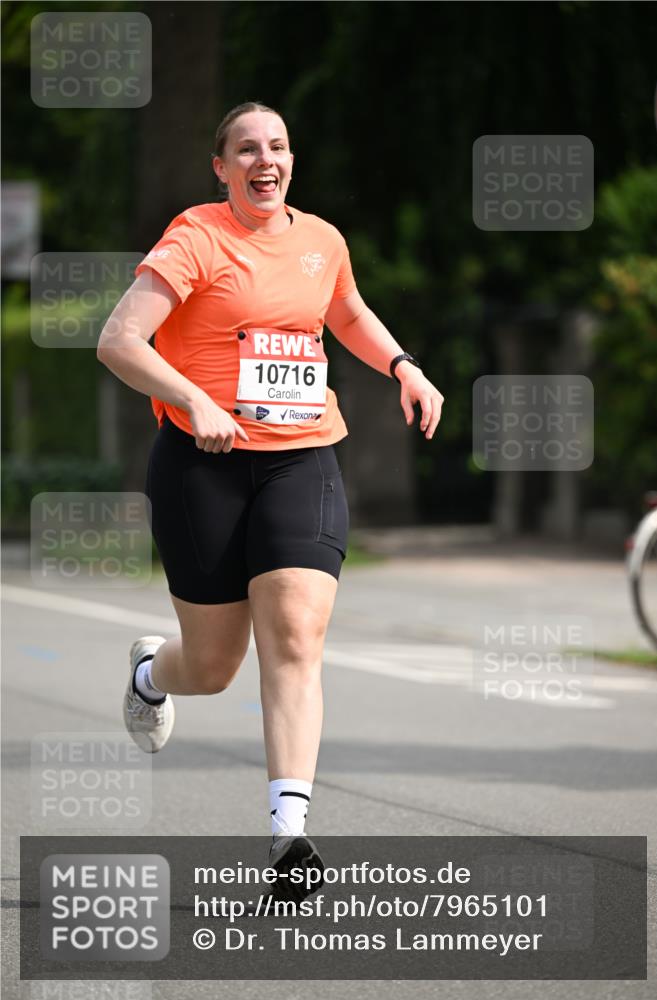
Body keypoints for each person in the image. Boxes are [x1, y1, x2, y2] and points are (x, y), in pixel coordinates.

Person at [97, 101, 444, 890]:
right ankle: (152, 674)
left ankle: (289, 837)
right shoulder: (195, 237)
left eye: (278, 146)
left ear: (292, 159)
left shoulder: (321, 241)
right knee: (215, 665)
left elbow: (346, 312)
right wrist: (194, 401)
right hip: (200, 465)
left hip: (302, 457)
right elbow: (119, 339)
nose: (266, 160)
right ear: (220, 168)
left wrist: (403, 366)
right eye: (246, 149)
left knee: (294, 635)